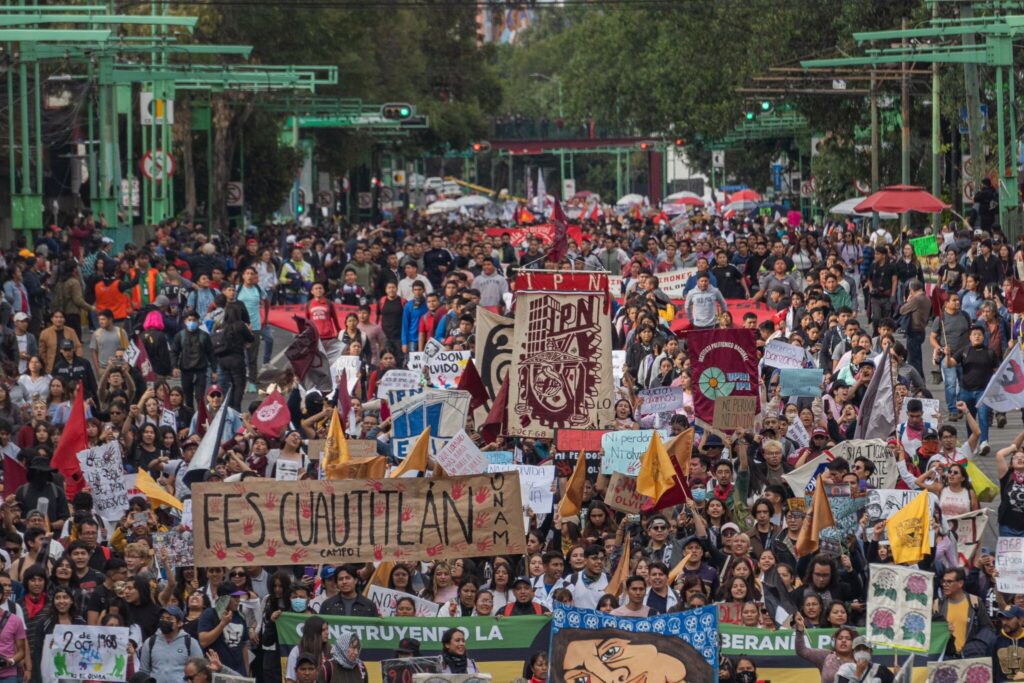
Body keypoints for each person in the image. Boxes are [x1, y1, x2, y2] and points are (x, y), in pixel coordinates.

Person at [933, 567, 994, 658]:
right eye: (943, 581)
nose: (944, 585)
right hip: (946, 657)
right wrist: (942, 630)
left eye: (949, 582)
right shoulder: (938, 604)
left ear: (960, 583)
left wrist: (976, 645)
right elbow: (931, 633)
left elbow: (988, 628)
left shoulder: (975, 602)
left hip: (970, 657)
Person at [138, 606, 203, 683]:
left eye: (169, 619)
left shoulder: (190, 643)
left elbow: (200, 670)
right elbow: (144, 671)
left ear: (179, 623)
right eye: (162, 618)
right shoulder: (150, 642)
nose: (165, 621)